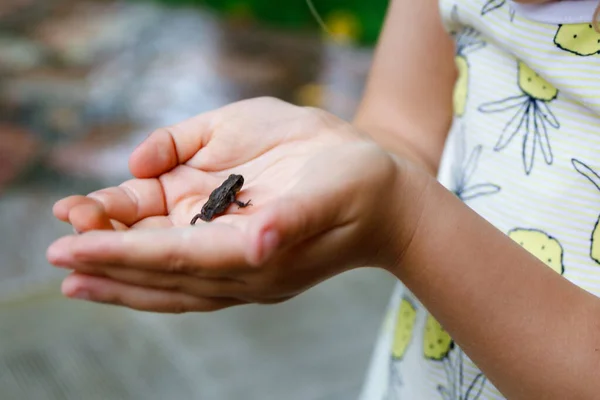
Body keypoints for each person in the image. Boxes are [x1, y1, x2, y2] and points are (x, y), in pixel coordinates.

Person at [46, 0, 600, 398]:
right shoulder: (224, 195)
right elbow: (401, 126)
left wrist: (409, 223)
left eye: (234, 190)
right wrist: (347, 159)